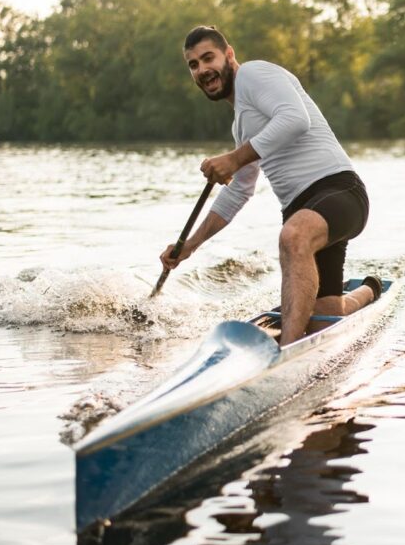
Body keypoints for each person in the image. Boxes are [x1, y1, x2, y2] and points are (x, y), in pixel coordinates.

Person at [160, 25, 379, 346]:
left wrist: (234, 159)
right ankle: (369, 291)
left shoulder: (253, 74)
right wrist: (190, 245)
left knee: (292, 236)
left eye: (208, 58)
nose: (202, 69)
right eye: (193, 65)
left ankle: (286, 351)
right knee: (324, 317)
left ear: (229, 55)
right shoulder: (241, 124)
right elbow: (237, 191)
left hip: (339, 194)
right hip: (305, 213)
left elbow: (295, 119)